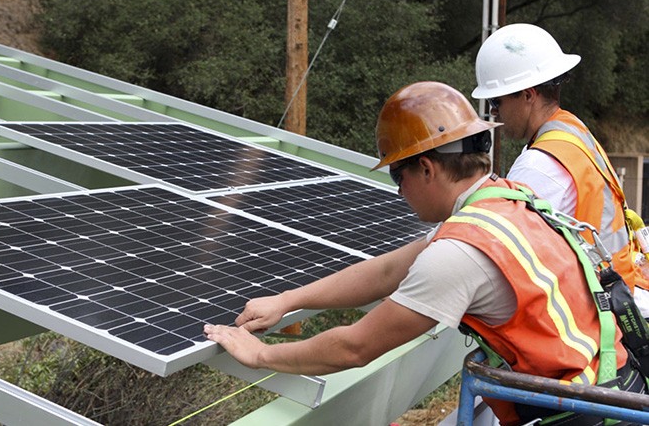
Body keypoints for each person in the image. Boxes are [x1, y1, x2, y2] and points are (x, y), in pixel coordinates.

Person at [204, 81, 646, 426]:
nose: (399, 193)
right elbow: (390, 270)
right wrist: (288, 300)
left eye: (398, 177)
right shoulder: (506, 200)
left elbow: (355, 346)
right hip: (608, 391)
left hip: (576, 416)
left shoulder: (461, 252)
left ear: (427, 168)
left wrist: (259, 355)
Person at [471, 23, 649, 315]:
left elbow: (499, 256)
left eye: (496, 101)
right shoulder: (571, 129)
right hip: (620, 291)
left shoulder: (539, 166)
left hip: (602, 313)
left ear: (528, 95)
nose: (493, 112)